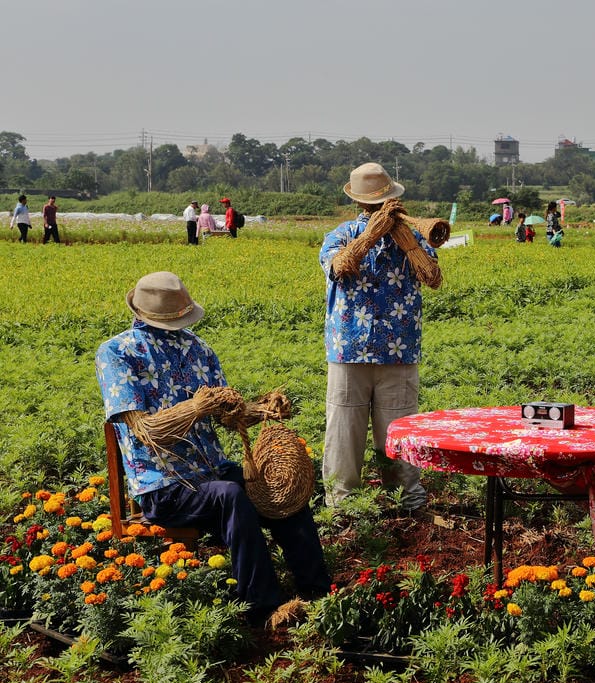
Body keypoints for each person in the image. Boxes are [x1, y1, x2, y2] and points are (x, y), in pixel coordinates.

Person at [95, 271, 332, 626]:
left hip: (212, 470)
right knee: (230, 496)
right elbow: (146, 431)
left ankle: (318, 590)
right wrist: (194, 407)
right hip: (165, 486)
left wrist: (263, 409)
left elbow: (227, 413)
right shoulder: (117, 353)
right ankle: (263, 608)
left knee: (276, 489)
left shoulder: (197, 349)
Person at [319, 162, 441, 510]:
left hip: (398, 350)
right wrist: (372, 234)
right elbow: (340, 266)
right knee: (345, 431)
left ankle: (407, 501)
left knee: (398, 431)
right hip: (350, 349)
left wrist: (404, 239)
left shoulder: (411, 238)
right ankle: (343, 506)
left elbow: (432, 276)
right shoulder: (341, 236)